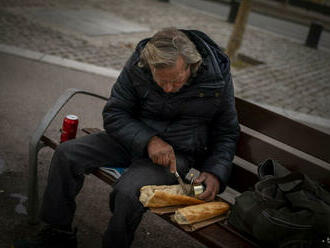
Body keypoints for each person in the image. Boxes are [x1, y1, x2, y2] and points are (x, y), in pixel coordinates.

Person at [14, 27, 240, 248]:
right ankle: (57, 234)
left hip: (177, 154)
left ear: (192, 64)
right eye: (162, 82)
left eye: (177, 80)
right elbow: (114, 113)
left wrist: (214, 173)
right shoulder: (139, 64)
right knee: (67, 154)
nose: (170, 89)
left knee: (127, 192)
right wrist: (149, 141)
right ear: (149, 67)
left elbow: (227, 131)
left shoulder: (216, 78)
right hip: (131, 139)